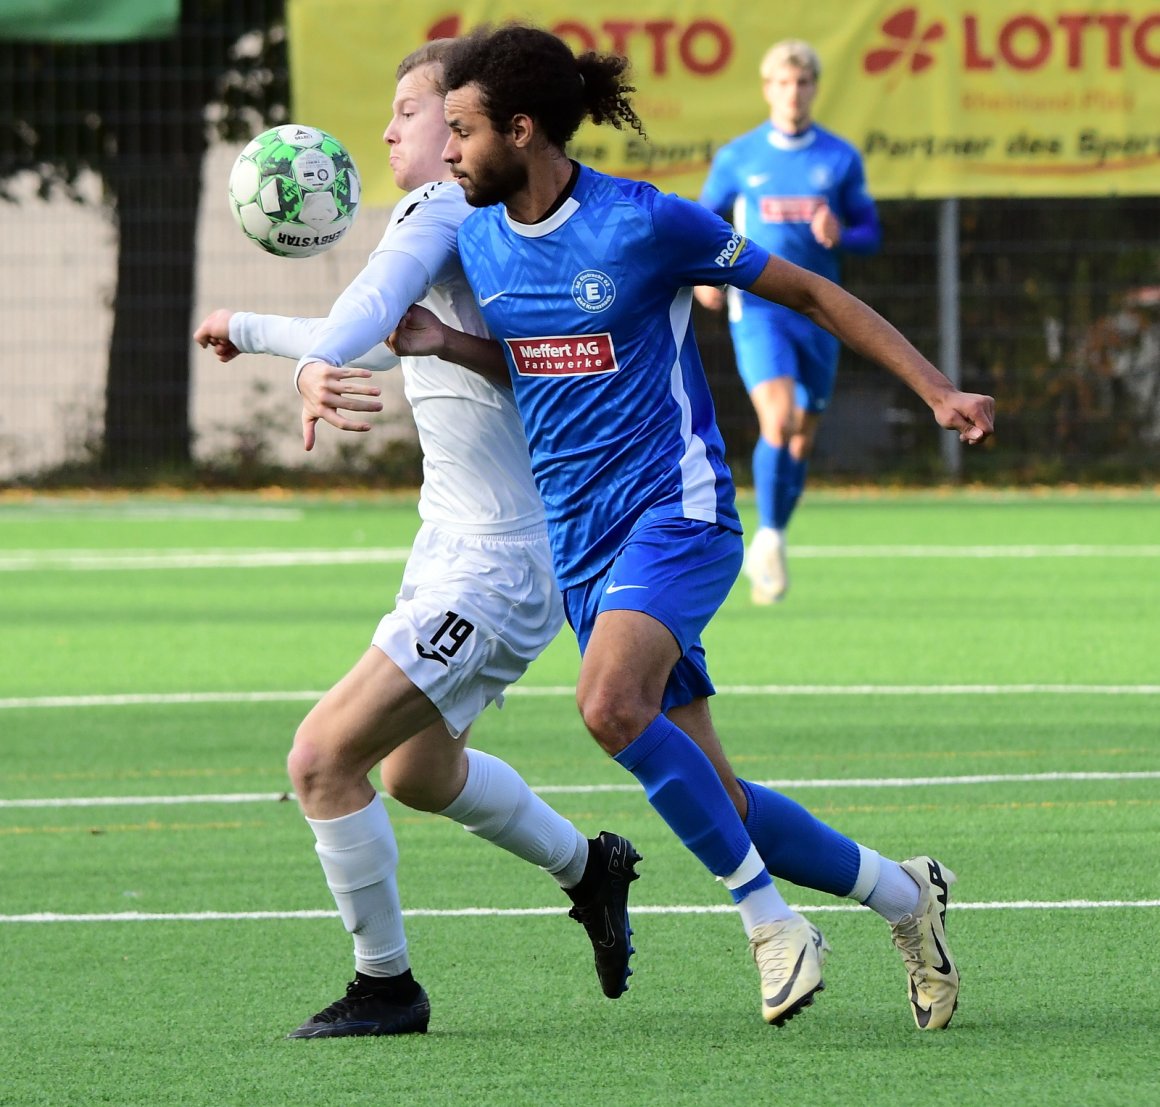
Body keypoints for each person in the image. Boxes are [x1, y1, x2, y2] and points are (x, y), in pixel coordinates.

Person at [388, 22, 992, 1030]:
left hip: (677, 510)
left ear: (522, 130)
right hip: (583, 545)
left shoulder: (642, 223)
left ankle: (768, 923)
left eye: (459, 131)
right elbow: (543, 361)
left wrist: (933, 388)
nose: (445, 152)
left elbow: (805, 288)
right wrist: (453, 344)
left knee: (607, 708)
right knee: (723, 799)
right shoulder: (478, 233)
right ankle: (904, 895)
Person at [193, 39, 642, 1039]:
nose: (390, 129)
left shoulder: (445, 206)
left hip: (490, 569)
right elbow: (389, 329)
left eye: (410, 108)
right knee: (418, 774)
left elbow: (368, 312)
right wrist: (259, 332)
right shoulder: (470, 219)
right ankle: (590, 868)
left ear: (466, 123)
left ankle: (385, 986)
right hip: (456, 553)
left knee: (320, 759)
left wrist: (312, 353)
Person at [695, 39, 883, 604]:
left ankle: (774, 533)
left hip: (819, 312)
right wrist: (704, 275)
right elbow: (704, 221)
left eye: (801, 83)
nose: (792, 93)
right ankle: (768, 542)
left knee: (803, 434)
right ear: (767, 88)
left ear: (813, 88)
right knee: (779, 420)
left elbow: (869, 232)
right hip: (758, 308)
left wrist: (842, 234)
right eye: (781, 83)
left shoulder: (839, 158)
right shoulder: (740, 157)